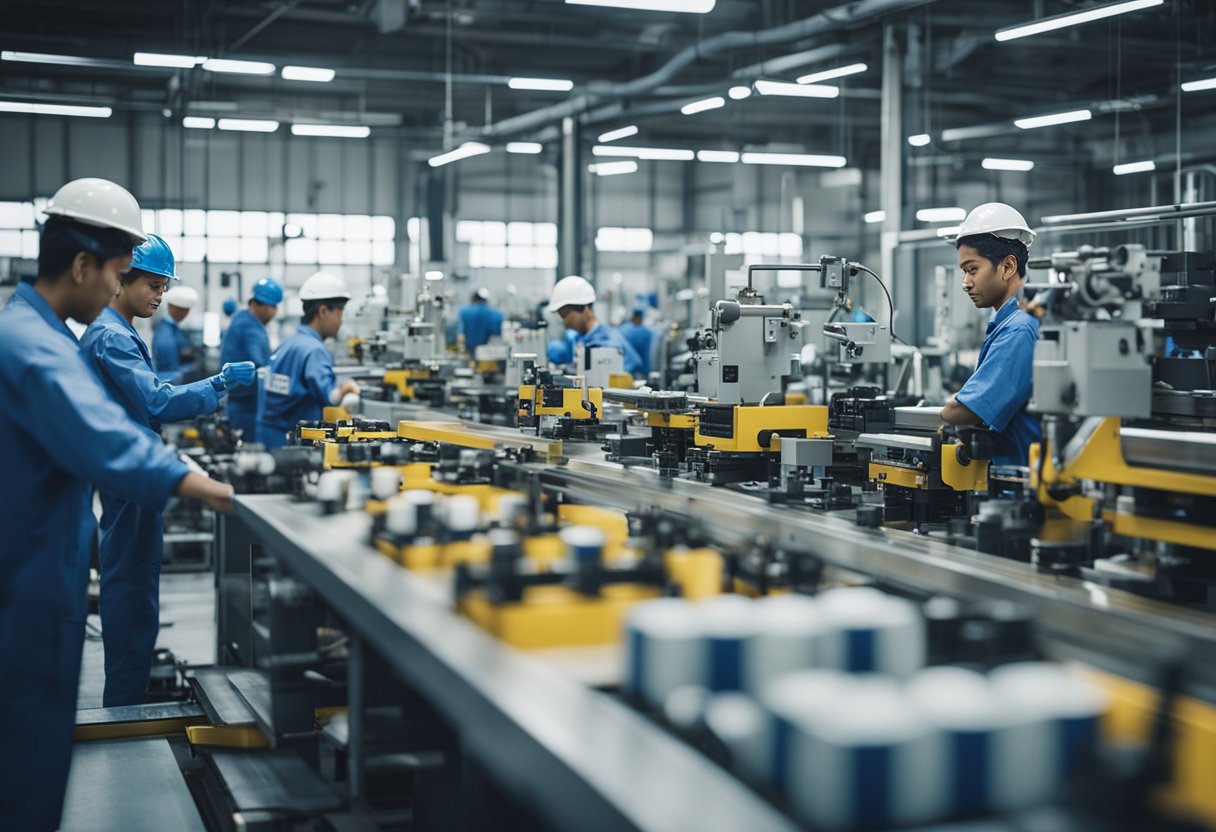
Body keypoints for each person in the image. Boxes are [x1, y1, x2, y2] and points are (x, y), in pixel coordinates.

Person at [0, 178, 234, 831]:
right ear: (82, 265)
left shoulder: (33, 329)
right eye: (114, 272)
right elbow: (107, 441)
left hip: (44, 568)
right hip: (30, 586)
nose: (114, 288)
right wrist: (206, 487)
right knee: (27, 765)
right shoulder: (38, 347)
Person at [78, 234, 256, 708]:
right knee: (132, 597)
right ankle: (125, 710)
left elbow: (146, 405)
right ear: (121, 279)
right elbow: (156, 400)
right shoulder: (112, 336)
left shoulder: (118, 331)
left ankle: (128, 699)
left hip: (132, 476)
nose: (160, 295)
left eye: (163, 286)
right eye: (154, 285)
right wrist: (216, 383)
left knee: (135, 592)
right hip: (129, 479)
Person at [940, 203, 1042, 466]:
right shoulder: (1013, 321)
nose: (965, 283)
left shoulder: (1019, 328)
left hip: (1020, 481)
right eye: (964, 271)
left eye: (972, 269)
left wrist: (947, 410)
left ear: (1008, 266)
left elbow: (965, 411)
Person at [257, 271, 361, 448]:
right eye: (339, 313)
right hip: (294, 446)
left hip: (269, 437)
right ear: (323, 311)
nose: (341, 321)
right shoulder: (315, 351)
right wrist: (347, 388)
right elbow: (331, 397)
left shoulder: (289, 344)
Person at [545, 275, 644, 377]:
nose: (563, 321)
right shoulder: (582, 338)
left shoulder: (607, 344)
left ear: (584, 308)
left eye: (564, 314)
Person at [221, 277, 283, 437]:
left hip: (239, 399)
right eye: (274, 306)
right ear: (262, 306)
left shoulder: (242, 318)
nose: (275, 312)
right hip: (246, 405)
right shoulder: (251, 328)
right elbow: (261, 367)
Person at [152, 283, 199, 382]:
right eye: (184, 310)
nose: (185, 314)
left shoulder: (172, 330)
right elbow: (169, 373)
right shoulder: (166, 336)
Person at [618, 307, 654, 376]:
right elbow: (646, 354)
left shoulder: (622, 330)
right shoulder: (647, 332)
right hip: (640, 370)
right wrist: (646, 372)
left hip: (625, 369)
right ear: (641, 317)